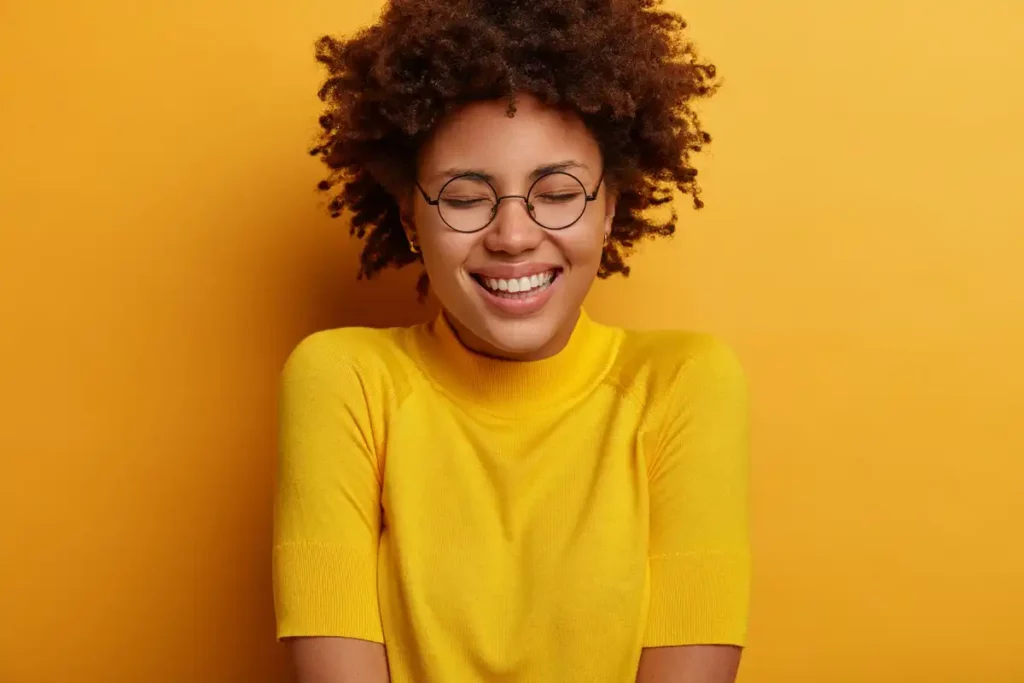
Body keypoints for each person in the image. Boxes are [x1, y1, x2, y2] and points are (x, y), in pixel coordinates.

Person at [272, 0, 751, 681]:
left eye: (557, 191)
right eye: (466, 198)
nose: (514, 235)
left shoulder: (682, 385)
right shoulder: (344, 380)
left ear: (610, 205)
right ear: (412, 218)